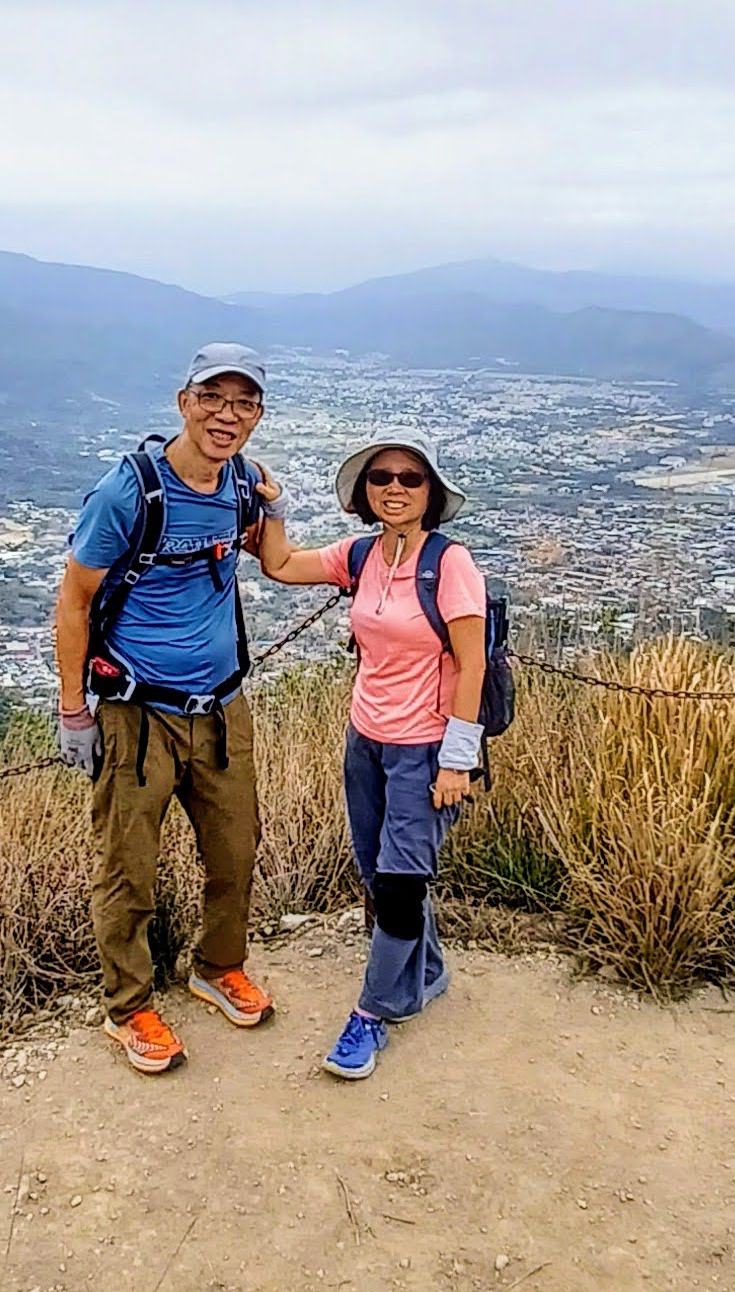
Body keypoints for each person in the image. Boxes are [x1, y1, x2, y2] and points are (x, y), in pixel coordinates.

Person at [54, 343, 287, 1074]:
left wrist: (277, 505)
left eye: (243, 402)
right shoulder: (129, 492)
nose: (227, 414)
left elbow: (273, 557)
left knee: (235, 849)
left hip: (221, 705)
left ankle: (218, 966)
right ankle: (128, 1006)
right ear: (184, 402)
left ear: (258, 415)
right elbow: (74, 600)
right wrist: (73, 710)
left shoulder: (241, 484)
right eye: (212, 397)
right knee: (129, 867)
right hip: (137, 711)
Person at [255, 432, 486, 1080]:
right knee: (377, 873)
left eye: (411, 478)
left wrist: (457, 760)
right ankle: (426, 972)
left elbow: (471, 665)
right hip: (366, 738)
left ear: (431, 492)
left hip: (426, 746)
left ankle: (372, 1013)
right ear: (364, 491)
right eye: (381, 477)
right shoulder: (361, 556)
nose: (395, 487)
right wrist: (274, 508)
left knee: (401, 881)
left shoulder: (450, 563)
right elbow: (281, 565)